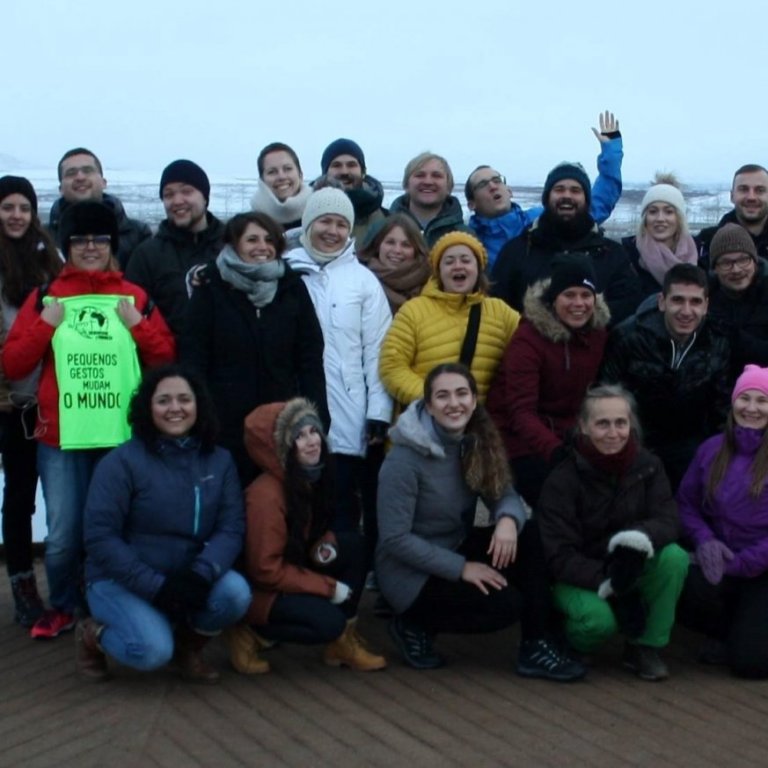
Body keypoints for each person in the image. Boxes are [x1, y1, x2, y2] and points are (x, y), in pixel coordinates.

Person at [2, 201, 175, 640]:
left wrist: (138, 325)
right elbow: (14, 363)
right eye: (80, 240)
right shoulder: (45, 297)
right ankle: (64, 604)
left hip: (119, 437)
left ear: (112, 244)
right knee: (62, 535)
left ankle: (110, 601)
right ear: (67, 246)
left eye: (100, 239)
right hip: (61, 438)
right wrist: (43, 325)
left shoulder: (133, 297)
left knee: (120, 528)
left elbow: (164, 358)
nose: (91, 247)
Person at [376, 363, 584, 680]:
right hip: (409, 575)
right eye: (442, 396)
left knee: (530, 534)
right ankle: (413, 624)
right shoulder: (404, 460)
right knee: (504, 606)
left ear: (474, 400)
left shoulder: (476, 440)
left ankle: (535, 645)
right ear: (429, 406)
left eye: (462, 393)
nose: (454, 403)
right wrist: (462, 568)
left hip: (455, 547)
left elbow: (506, 495)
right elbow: (394, 539)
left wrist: (507, 522)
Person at [76, 364, 251, 682]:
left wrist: (202, 574)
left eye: (184, 399)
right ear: (147, 407)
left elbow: (231, 527)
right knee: (152, 651)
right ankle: (92, 635)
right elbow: (100, 537)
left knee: (235, 593)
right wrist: (155, 587)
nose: (175, 408)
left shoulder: (220, 460)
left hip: (186, 575)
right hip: (119, 580)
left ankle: (188, 649)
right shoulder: (120, 463)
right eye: (164, 400)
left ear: (198, 404)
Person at [537, 384, 689, 681]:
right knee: (597, 624)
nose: (613, 432)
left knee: (674, 557)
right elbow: (558, 555)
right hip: (580, 576)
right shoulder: (562, 478)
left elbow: (668, 519)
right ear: (583, 425)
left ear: (631, 424)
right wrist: (611, 581)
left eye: (621, 422)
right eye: (602, 423)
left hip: (629, 565)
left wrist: (633, 544)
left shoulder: (649, 465)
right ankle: (571, 639)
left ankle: (644, 647)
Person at [226, 397, 386, 674]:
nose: (312, 441)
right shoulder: (266, 495)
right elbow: (264, 570)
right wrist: (327, 587)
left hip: (294, 565)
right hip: (262, 590)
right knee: (327, 622)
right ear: (281, 447)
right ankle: (251, 633)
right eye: (299, 436)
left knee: (353, 546)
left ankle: (342, 643)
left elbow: (309, 531)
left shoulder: (311, 476)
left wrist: (323, 544)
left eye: (313, 431)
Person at [181, 211, 328, 486]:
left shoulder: (291, 287)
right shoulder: (211, 285)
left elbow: (309, 357)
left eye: (268, 239)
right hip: (223, 421)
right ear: (234, 245)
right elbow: (193, 356)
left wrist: (317, 414)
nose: (262, 247)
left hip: (281, 420)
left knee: (278, 499)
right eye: (251, 239)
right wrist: (200, 415)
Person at [284, 188, 392, 534]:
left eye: (341, 224)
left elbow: (377, 349)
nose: (332, 231)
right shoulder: (284, 273)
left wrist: (378, 411)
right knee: (295, 504)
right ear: (308, 223)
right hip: (293, 406)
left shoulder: (363, 282)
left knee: (341, 505)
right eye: (324, 221)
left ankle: (344, 579)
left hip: (348, 414)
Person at [487, 254, 610, 507]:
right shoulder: (528, 340)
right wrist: (556, 452)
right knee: (561, 495)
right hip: (518, 439)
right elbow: (520, 412)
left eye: (586, 295)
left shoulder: (597, 335)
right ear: (554, 299)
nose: (579, 303)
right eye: (569, 295)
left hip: (568, 432)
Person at [600, 263, 731, 490]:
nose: (686, 311)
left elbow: (721, 406)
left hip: (690, 444)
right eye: (678, 300)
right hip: (637, 440)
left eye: (695, 302)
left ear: (706, 306)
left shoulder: (717, 340)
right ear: (662, 301)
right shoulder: (628, 336)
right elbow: (606, 395)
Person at [677, 365, 768, 677]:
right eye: (745, 398)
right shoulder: (711, 448)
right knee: (685, 586)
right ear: (733, 402)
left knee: (751, 666)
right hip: (719, 559)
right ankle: (728, 632)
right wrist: (705, 541)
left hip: (760, 568)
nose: (752, 408)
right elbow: (686, 504)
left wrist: (742, 563)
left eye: (762, 400)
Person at [0, 176, 62, 626]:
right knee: (19, 498)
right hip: (10, 402)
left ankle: (65, 585)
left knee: (59, 498)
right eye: (7, 207)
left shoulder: (50, 261)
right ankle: (22, 581)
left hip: (52, 400)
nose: (17, 215)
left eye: (24, 207)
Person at [467, 111, 624, 270]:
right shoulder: (468, 242)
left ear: (509, 191)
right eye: (482, 184)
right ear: (471, 204)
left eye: (497, 180)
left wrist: (611, 153)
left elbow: (595, 204)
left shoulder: (540, 220)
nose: (493, 186)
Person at [379, 231, 519, 407]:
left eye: (466, 260)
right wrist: (436, 401)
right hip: (427, 422)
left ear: (479, 268)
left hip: (480, 425)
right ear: (438, 271)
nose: (457, 266)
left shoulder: (502, 313)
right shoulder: (414, 311)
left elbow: (527, 356)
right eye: (449, 261)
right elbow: (391, 367)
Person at [491, 161, 641, 324]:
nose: (567, 196)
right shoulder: (517, 251)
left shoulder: (611, 254)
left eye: (575, 190)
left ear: (587, 200)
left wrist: (584, 324)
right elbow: (497, 310)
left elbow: (627, 309)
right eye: (559, 189)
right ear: (547, 198)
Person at [126, 159, 225, 338]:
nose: (177, 201)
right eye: (168, 194)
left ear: (205, 197)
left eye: (186, 191)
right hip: (171, 362)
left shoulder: (231, 244)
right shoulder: (147, 255)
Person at [48, 147, 151, 270]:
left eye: (87, 170)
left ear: (103, 182)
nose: (80, 177)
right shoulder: (44, 238)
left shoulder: (137, 234)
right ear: (61, 189)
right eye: (71, 173)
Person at [706, 223, 768, 380]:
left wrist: (735, 337)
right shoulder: (704, 300)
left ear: (754, 261)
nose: (736, 269)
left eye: (743, 260)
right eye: (726, 263)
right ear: (715, 268)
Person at [621, 174, 698, 299]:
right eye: (653, 211)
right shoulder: (627, 255)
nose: (660, 219)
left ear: (679, 218)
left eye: (668, 212)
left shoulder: (699, 253)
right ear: (645, 218)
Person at [356, 213, 431, 314]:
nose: (397, 250)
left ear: (416, 250)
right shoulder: (358, 280)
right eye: (390, 242)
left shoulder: (432, 285)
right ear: (378, 245)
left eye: (406, 245)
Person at [697, 164, 768, 270]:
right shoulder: (705, 243)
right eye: (743, 189)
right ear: (732, 196)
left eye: (760, 190)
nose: (751, 197)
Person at [388, 152, 467, 246]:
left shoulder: (465, 236)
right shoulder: (382, 230)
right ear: (406, 185)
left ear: (449, 187)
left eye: (436, 175)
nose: (428, 181)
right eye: (420, 175)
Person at [320, 138, 388, 246]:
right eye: (336, 165)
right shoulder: (304, 212)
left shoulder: (386, 221)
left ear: (363, 171)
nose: (344, 171)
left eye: (351, 165)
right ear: (325, 172)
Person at [250, 142, 313, 231]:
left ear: (300, 175)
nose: (281, 177)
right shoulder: (251, 225)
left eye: (287, 169)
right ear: (262, 181)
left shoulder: (322, 215)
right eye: (272, 172)